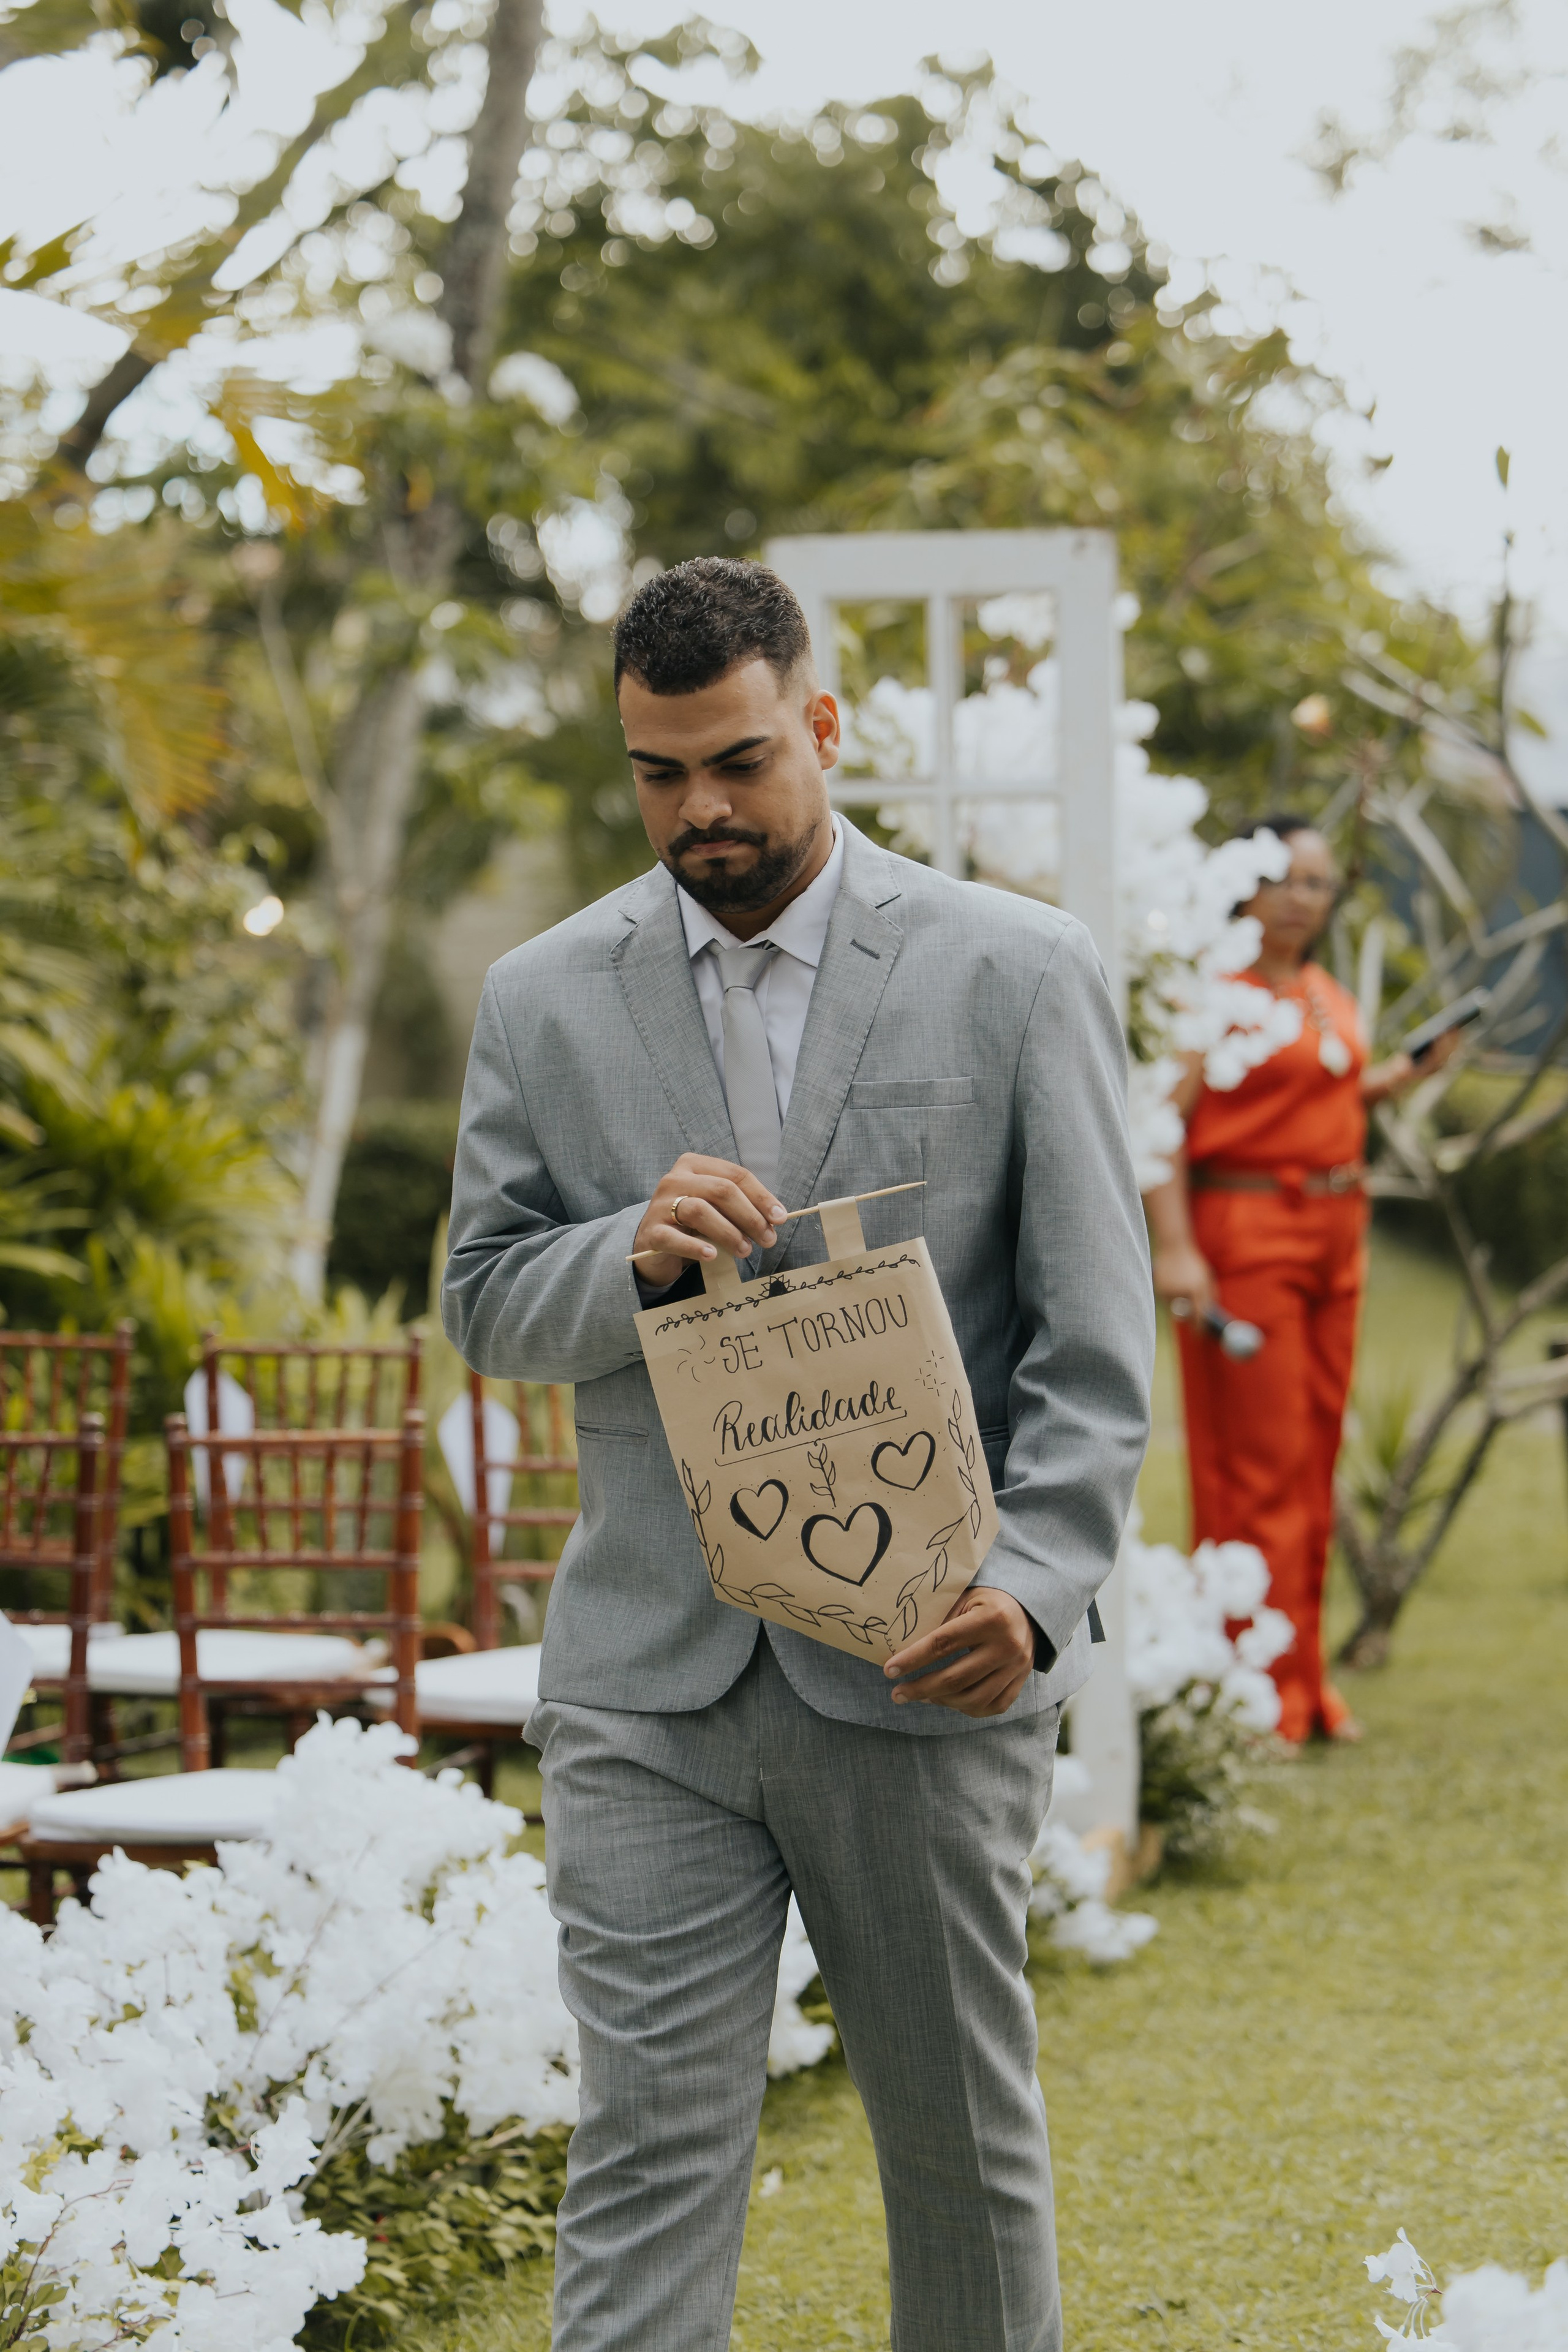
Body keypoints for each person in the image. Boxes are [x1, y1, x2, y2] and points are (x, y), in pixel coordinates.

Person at [442, 557, 1153, 2352]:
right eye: (659, 774)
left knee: (959, 2158)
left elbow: (1093, 1340)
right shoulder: (541, 997)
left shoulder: (1017, 971)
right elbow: (483, 1300)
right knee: (644, 2156)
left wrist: (1039, 1581)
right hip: (646, 1690)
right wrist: (626, 1252)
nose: (702, 811)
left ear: (824, 726)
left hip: (921, 1661)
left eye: (741, 763)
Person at [1144, 815, 1458, 1743]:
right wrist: (1178, 1248)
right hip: (1248, 1232)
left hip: (1337, 1231)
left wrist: (1399, 1077)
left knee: (1314, 1457)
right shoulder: (1209, 993)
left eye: (1320, 884)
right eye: (1286, 878)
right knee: (1259, 1466)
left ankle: (1307, 1683)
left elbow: (1315, 1093)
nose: (1303, 898)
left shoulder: (1324, 990)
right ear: (1245, 886)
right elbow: (1160, 1128)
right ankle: (1255, 1692)